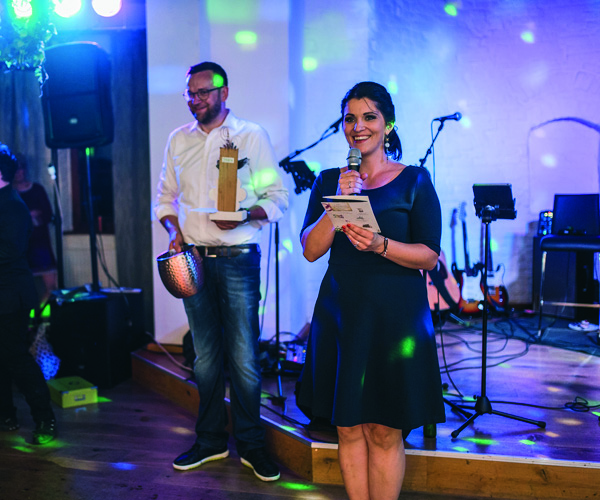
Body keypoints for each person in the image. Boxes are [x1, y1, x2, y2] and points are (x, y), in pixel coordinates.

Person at [297, 82, 446, 499]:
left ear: (388, 124)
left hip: (395, 316)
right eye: (350, 118)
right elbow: (310, 249)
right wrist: (337, 201)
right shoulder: (329, 180)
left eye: (369, 117)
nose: (358, 126)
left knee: (384, 429)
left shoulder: (414, 180)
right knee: (347, 426)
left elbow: (429, 255)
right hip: (341, 313)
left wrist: (381, 244)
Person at [154, 62, 288, 482]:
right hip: (192, 259)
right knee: (206, 356)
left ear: (224, 92)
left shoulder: (251, 136)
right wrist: (174, 232)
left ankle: (251, 444)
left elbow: (278, 198)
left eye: (203, 92)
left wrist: (245, 214)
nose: (195, 100)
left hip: (238, 259)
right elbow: (165, 199)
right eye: (190, 93)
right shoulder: (178, 139)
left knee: (244, 357)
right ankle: (211, 440)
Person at [0, 142, 57, 444]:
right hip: (6, 294)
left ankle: (45, 418)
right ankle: (6, 415)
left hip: (10, 296)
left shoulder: (11, 205)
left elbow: (9, 252)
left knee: (16, 358)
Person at [12, 156, 58, 308]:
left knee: (51, 287)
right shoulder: (9, 193)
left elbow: (48, 214)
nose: (19, 172)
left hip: (40, 245)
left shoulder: (37, 189)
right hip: (20, 247)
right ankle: (29, 319)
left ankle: (42, 317)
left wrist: (36, 215)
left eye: (21, 168)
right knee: (22, 290)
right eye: (16, 169)